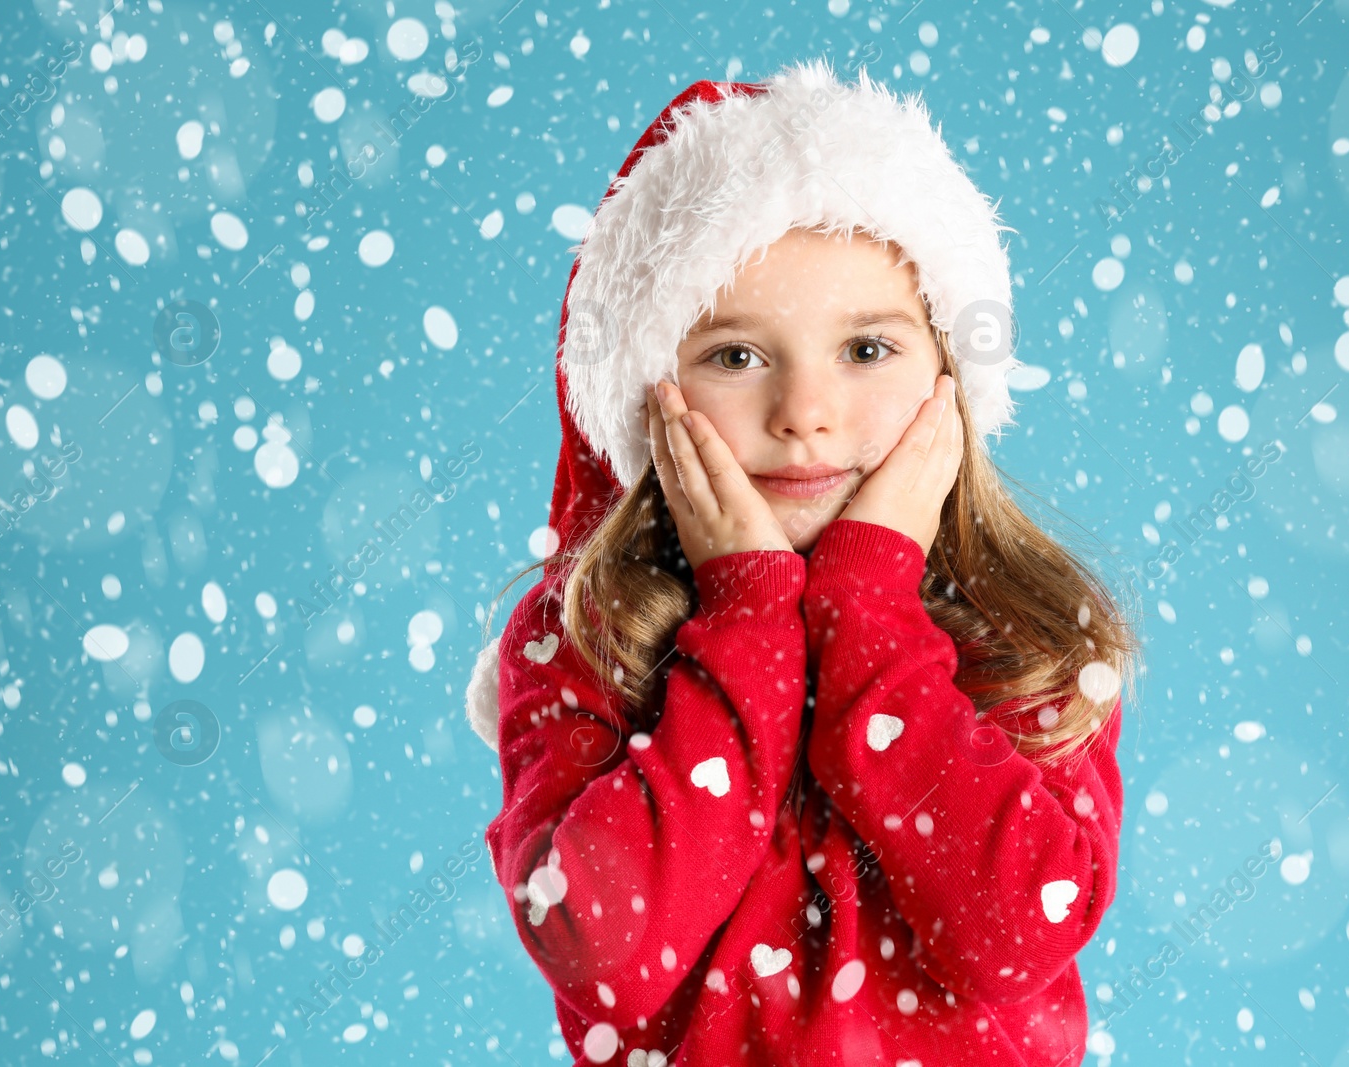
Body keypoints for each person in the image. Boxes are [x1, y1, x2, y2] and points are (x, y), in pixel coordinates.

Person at [464, 57, 1137, 1067]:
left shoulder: (1027, 628)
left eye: (866, 349)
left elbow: (1017, 930)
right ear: (647, 389)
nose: (804, 413)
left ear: (950, 371)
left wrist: (867, 610)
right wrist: (746, 620)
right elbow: (605, 948)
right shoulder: (585, 636)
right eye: (736, 354)